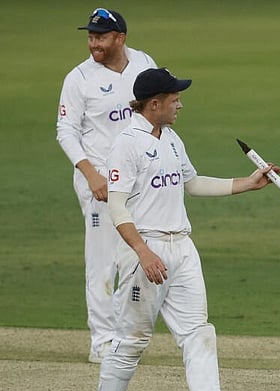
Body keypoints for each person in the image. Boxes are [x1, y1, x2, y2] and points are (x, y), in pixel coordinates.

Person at [80, 68, 279, 391]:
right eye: (175, 99)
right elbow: (117, 208)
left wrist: (246, 184)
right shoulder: (127, 143)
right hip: (146, 249)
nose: (180, 105)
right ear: (154, 104)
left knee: (199, 335)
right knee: (133, 338)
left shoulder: (170, 138)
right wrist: (143, 252)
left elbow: (192, 183)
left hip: (182, 248)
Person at [56, 8, 157, 363]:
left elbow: (156, 109)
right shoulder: (79, 78)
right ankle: (101, 342)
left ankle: (123, 336)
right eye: (90, 37)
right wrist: (89, 173)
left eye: (100, 37)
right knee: (102, 262)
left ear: (120, 38)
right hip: (97, 178)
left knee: (131, 256)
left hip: (138, 177)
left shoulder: (143, 62)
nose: (93, 43)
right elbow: (65, 131)